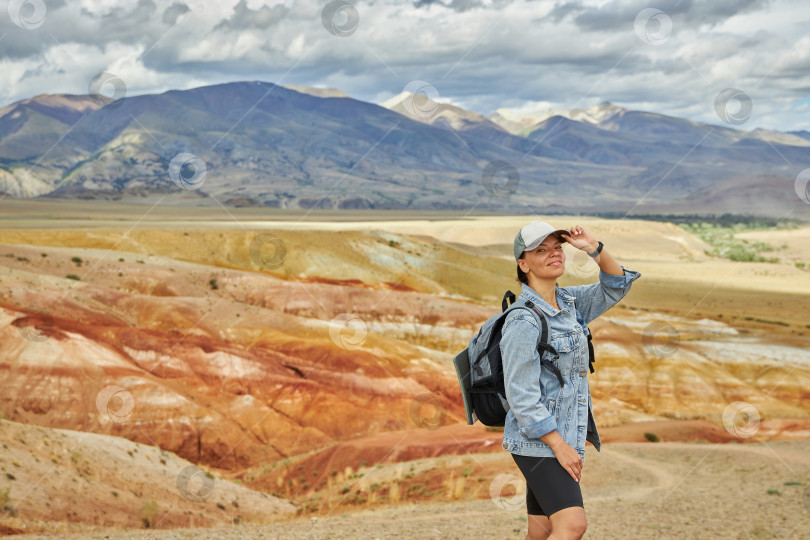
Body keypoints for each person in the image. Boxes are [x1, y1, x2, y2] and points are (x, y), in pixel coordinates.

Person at [500, 221, 640, 540]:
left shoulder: (569, 305)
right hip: (539, 441)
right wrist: (559, 445)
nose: (554, 254)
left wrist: (594, 249)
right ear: (523, 264)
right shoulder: (523, 320)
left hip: (558, 438)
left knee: (541, 531)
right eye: (541, 250)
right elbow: (520, 395)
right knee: (573, 524)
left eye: (557, 248)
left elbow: (616, 284)